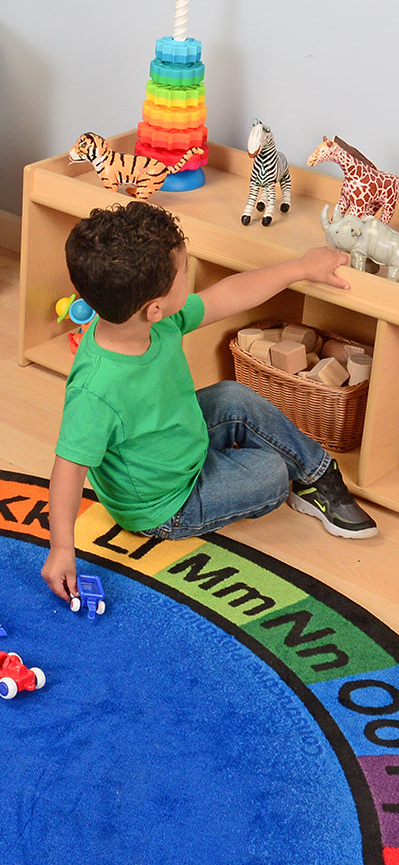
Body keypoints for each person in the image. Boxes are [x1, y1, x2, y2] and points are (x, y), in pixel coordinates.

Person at [41, 202, 377, 603]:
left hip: (180, 437)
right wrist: (62, 549)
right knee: (271, 473)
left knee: (232, 395)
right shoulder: (96, 389)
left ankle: (318, 475)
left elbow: (228, 295)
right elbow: (68, 468)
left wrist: (300, 268)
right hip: (166, 505)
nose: (190, 274)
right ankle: (283, 476)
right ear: (154, 307)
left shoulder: (148, 320)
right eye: (185, 271)